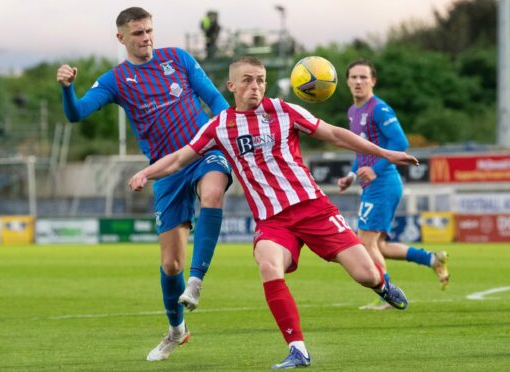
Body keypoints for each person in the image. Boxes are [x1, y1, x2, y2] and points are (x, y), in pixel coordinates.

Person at [128, 56, 419, 368]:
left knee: (366, 275)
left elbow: (334, 134)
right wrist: (147, 173)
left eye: (261, 80)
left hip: (314, 209)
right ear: (231, 86)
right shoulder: (219, 126)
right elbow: (177, 159)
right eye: (248, 80)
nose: (256, 86)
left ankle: (382, 285)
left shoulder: (283, 110)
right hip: (273, 221)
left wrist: (384, 152)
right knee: (268, 264)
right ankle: (298, 349)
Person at [56, 7, 232, 361]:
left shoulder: (178, 59)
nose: (146, 38)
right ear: (121, 38)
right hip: (165, 171)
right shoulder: (115, 80)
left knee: (213, 191)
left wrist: (227, 131)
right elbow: (76, 114)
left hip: (202, 152)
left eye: (149, 30)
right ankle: (176, 331)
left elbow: (214, 99)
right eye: (137, 33)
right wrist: (68, 88)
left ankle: (196, 282)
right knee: (170, 265)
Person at [337, 59, 450, 311]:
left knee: (365, 242)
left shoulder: (379, 109)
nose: (358, 82)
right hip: (374, 184)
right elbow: (362, 151)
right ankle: (432, 259)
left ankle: (387, 295)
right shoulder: (353, 112)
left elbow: (400, 143)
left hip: (384, 182)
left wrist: (375, 170)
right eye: (354, 77)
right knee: (380, 247)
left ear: (373, 81)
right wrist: (352, 176)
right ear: (347, 81)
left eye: (363, 77)